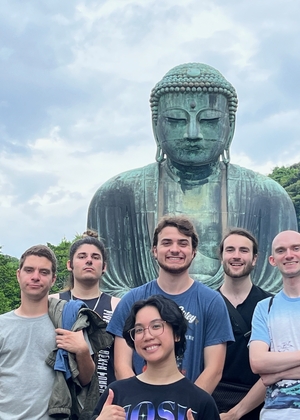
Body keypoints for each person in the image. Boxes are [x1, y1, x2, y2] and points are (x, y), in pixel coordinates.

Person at [87, 62, 297, 297]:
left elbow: (279, 289)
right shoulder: (117, 194)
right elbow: (105, 288)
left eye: (209, 121)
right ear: (156, 126)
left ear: (230, 126)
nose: (193, 134)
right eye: (177, 120)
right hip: (148, 326)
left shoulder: (267, 196)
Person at [107, 214, 234, 394]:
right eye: (166, 243)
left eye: (183, 243)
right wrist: (142, 404)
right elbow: (122, 365)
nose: (175, 249)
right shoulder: (131, 300)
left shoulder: (211, 301)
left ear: (194, 251)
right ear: (154, 250)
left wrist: (184, 406)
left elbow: (213, 370)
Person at [0, 245, 95, 420]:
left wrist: (82, 351)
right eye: (29, 270)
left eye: (44, 272)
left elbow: (86, 380)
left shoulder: (69, 321)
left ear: (53, 280)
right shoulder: (2, 325)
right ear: (18, 275)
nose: (35, 277)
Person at [92, 295, 220, 420]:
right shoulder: (116, 394)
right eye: (139, 330)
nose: (147, 336)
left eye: (156, 326)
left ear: (176, 334)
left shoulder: (201, 401)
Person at [50, 230, 120, 395]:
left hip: (105, 396)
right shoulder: (52, 302)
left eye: (95, 257)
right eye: (82, 257)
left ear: (104, 267)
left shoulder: (117, 305)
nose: (89, 260)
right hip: (61, 396)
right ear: (69, 265)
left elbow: (122, 362)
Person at [212, 228, 271, 419]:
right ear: (221, 256)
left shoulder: (270, 305)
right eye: (230, 250)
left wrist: (236, 413)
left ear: (255, 258)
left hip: (258, 404)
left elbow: (274, 370)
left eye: (244, 251)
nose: (236, 256)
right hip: (209, 401)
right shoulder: (206, 302)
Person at [249, 230, 300, 420]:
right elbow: (257, 362)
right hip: (274, 414)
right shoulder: (265, 308)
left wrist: (275, 375)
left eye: (296, 248)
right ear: (272, 260)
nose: (289, 255)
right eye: (281, 250)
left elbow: (267, 370)